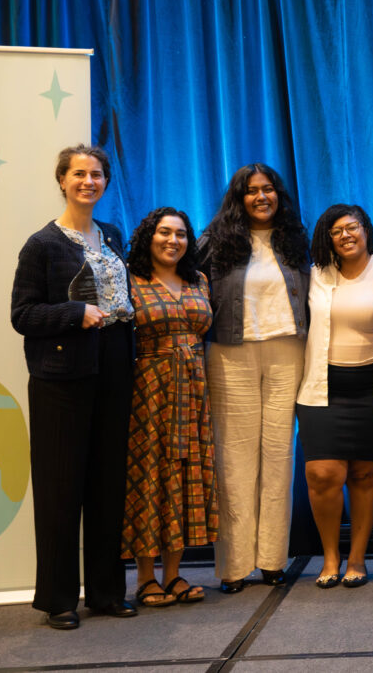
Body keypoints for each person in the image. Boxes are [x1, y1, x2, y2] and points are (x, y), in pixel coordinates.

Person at [11, 144, 137, 629]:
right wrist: (74, 312)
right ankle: (58, 599)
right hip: (61, 380)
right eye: (79, 174)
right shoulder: (42, 245)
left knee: (108, 486)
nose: (89, 181)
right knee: (60, 490)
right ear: (62, 180)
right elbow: (23, 315)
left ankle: (106, 592)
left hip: (113, 369)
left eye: (97, 174)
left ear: (106, 182)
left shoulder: (113, 235)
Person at [197, 164, 309, 593]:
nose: (261, 197)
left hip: (288, 351)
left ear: (279, 194)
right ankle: (234, 565)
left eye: (268, 189)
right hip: (231, 352)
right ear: (238, 198)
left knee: (279, 457)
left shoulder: (295, 240)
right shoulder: (214, 241)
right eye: (251, 191)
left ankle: (273, 560)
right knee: (234, 460)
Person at [295, 205, 373, 588]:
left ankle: (357, 558)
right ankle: (330, 556)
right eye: (336, 231)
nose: (345, 235)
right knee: (322, 473)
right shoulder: (315, 275)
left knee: (364, 474)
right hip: (322, 389)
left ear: (366, 229)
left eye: (352, 227)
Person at [122, 207, 218, 607]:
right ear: (148, 237)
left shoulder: (199, 280)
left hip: (193, 389)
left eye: (180, 234)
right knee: (149, 477)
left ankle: (174, 573)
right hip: (148, 390)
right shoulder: (130, 279)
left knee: (186, 474)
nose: (172, 241)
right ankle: (146, 577)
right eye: (164, 232)